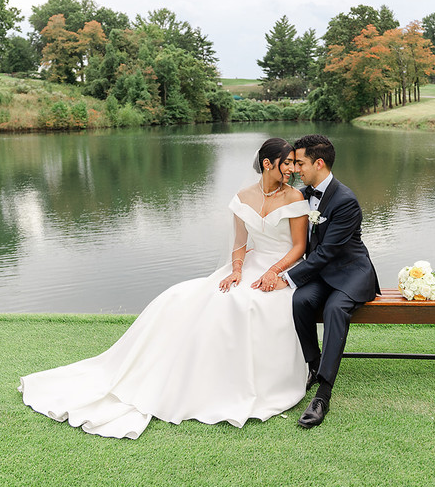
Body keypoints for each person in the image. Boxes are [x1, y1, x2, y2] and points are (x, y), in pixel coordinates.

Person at [19, 138, 310, 439]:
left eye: (294, 163)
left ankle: (240, 383)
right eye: (287, 162)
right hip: (248, 266)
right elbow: (239, 244)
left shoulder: (294, 199)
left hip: (281, 269)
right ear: (267, 164)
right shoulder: (242, 197)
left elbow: (299, 247)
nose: (292, 169)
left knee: (247, 304)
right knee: (183, 297)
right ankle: (177, 376)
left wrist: (274, 272)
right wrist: (236, 270)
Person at [281, 134, 379, 428]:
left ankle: (323, 393)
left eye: (300, 162)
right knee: (300, 300)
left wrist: (287, 277)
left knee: (336, 309)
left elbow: (326, 253)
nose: (296, 168)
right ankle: (313, 365)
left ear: (318, 163)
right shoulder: (304, 194)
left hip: (350, 272)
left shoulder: (346, 201)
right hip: (323, 274)